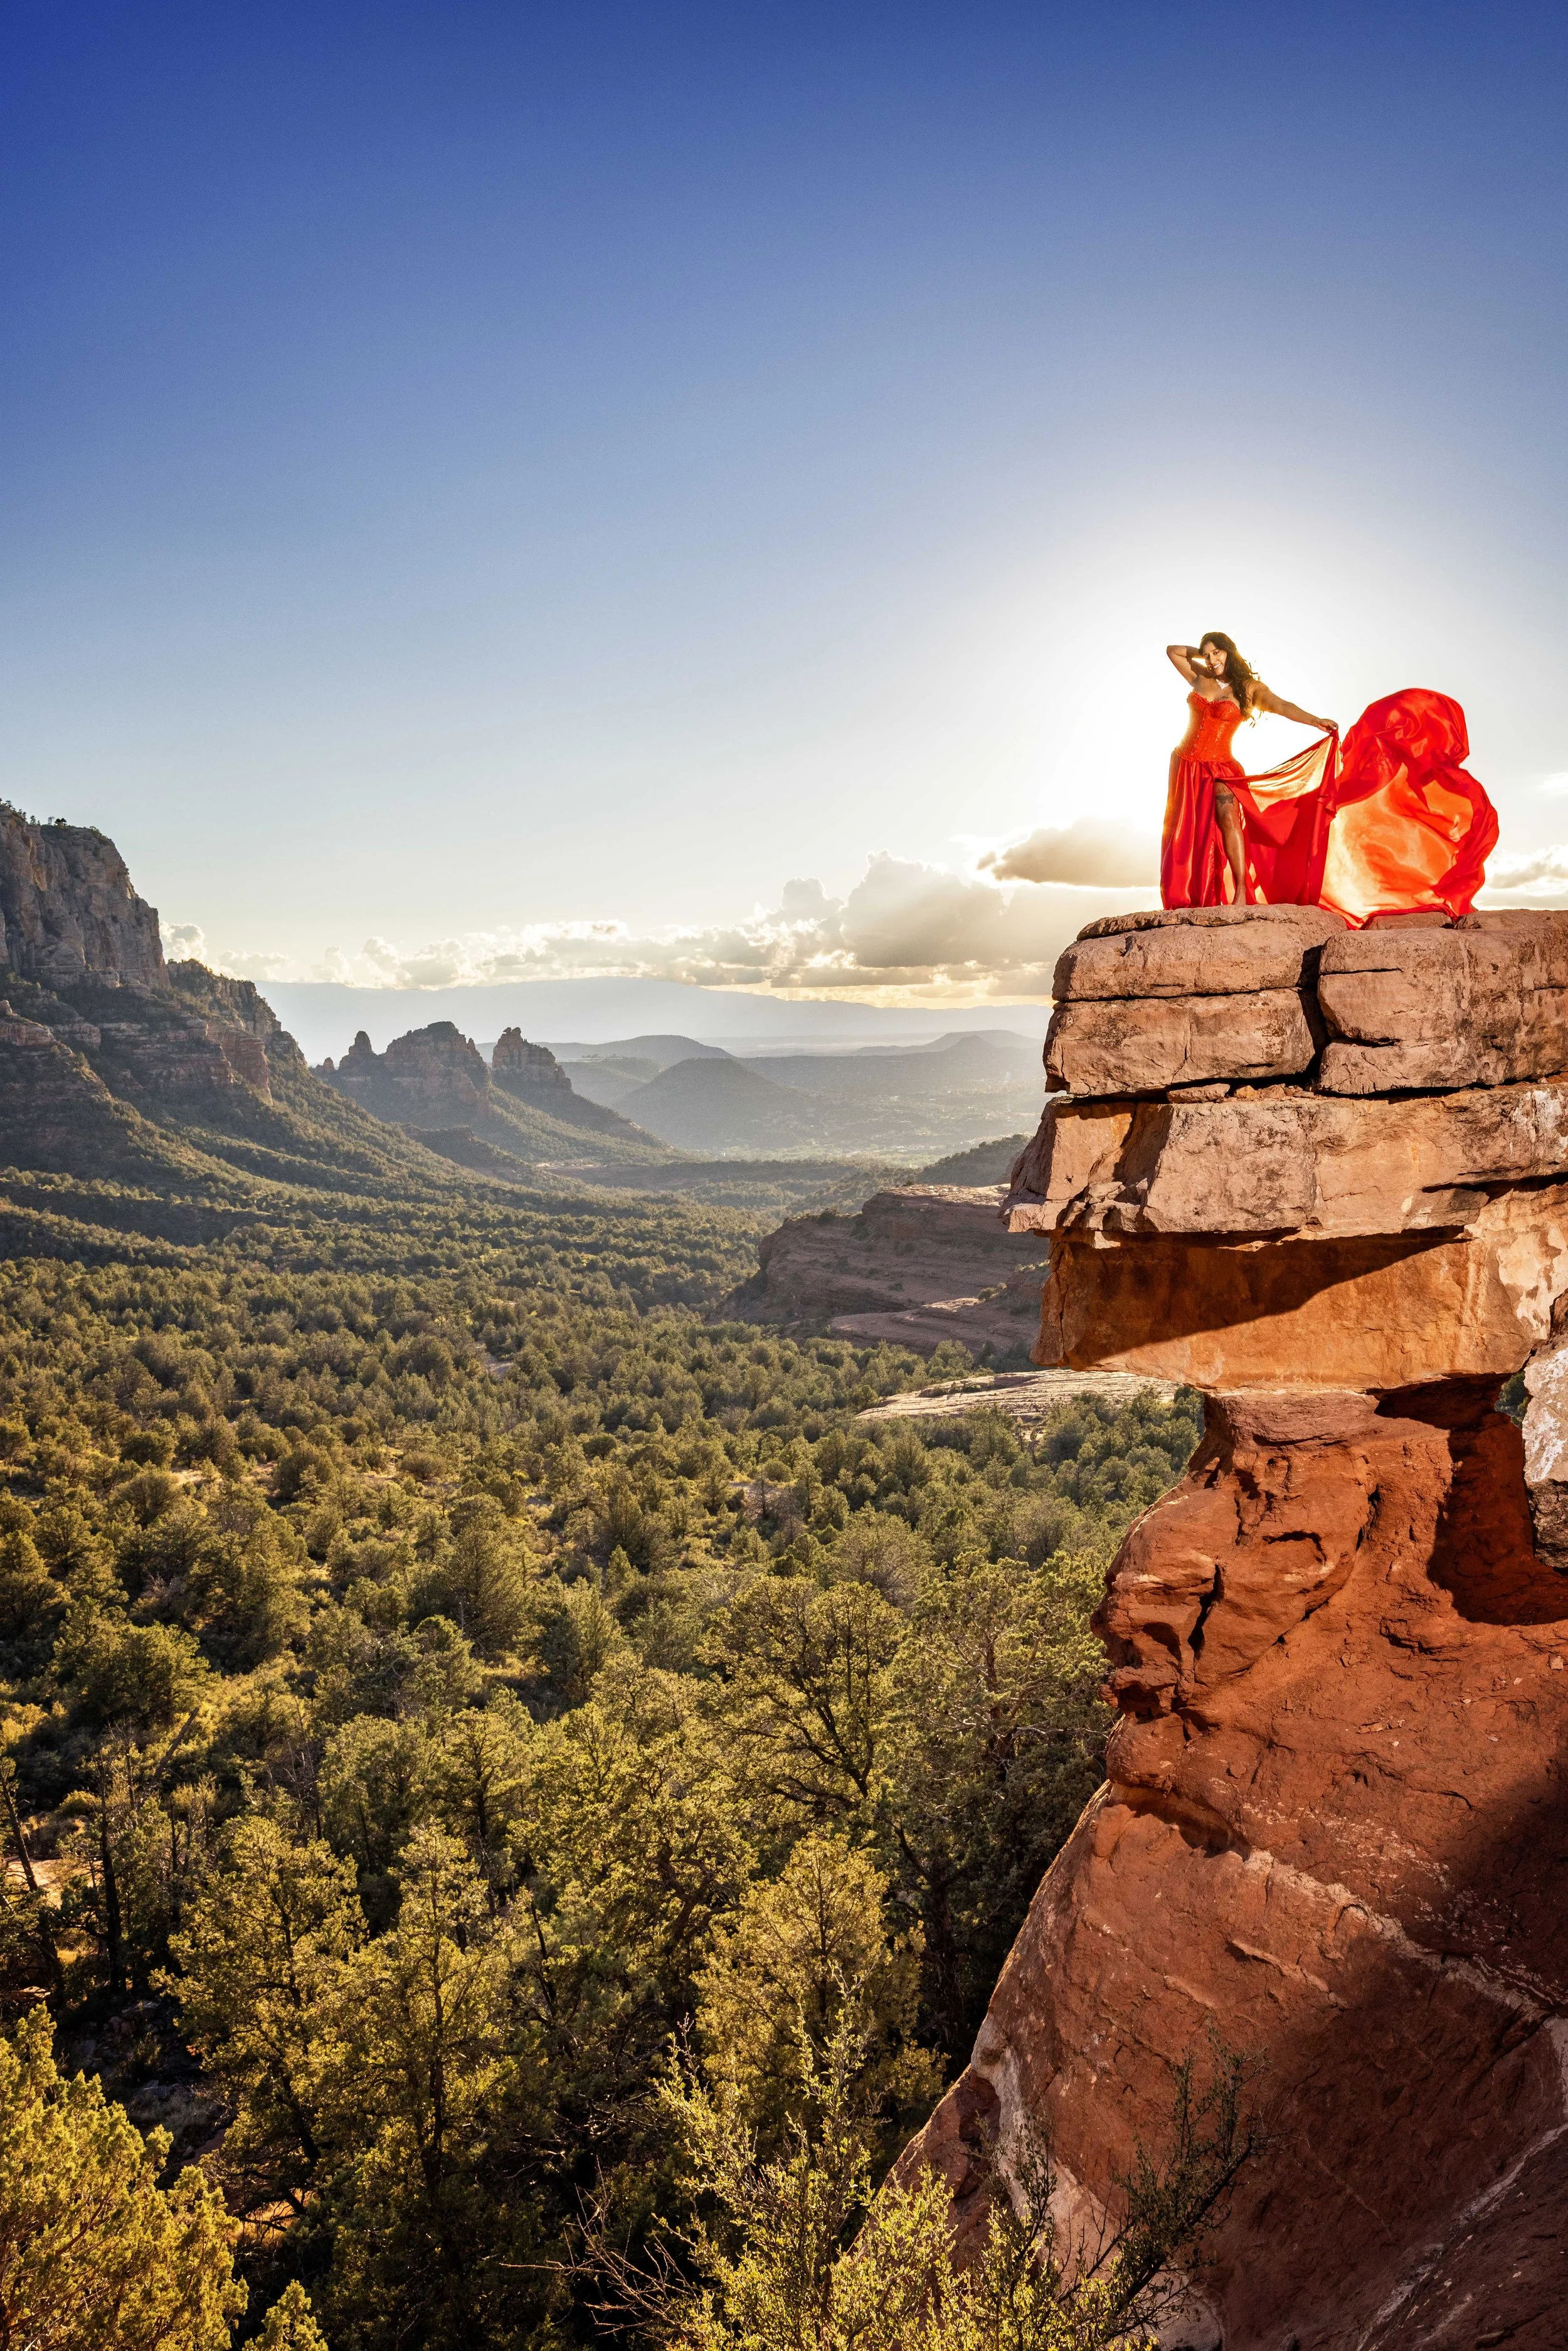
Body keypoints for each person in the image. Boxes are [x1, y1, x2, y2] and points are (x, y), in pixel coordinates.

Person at [1159, 631, 1499, 923]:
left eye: (1217, 651)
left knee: (1226, 817)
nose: (1211, 658)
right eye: (1207, 654)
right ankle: (1196, 893)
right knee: (1187, 829)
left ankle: (1242, 894)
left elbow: (1283, 706)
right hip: (1185, 763)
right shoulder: (1200, 679)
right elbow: (1172, 651)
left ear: (1229, 651)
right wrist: (1204, 656)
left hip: (1220, 767)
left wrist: (1314, 721)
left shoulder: (1248, 688)